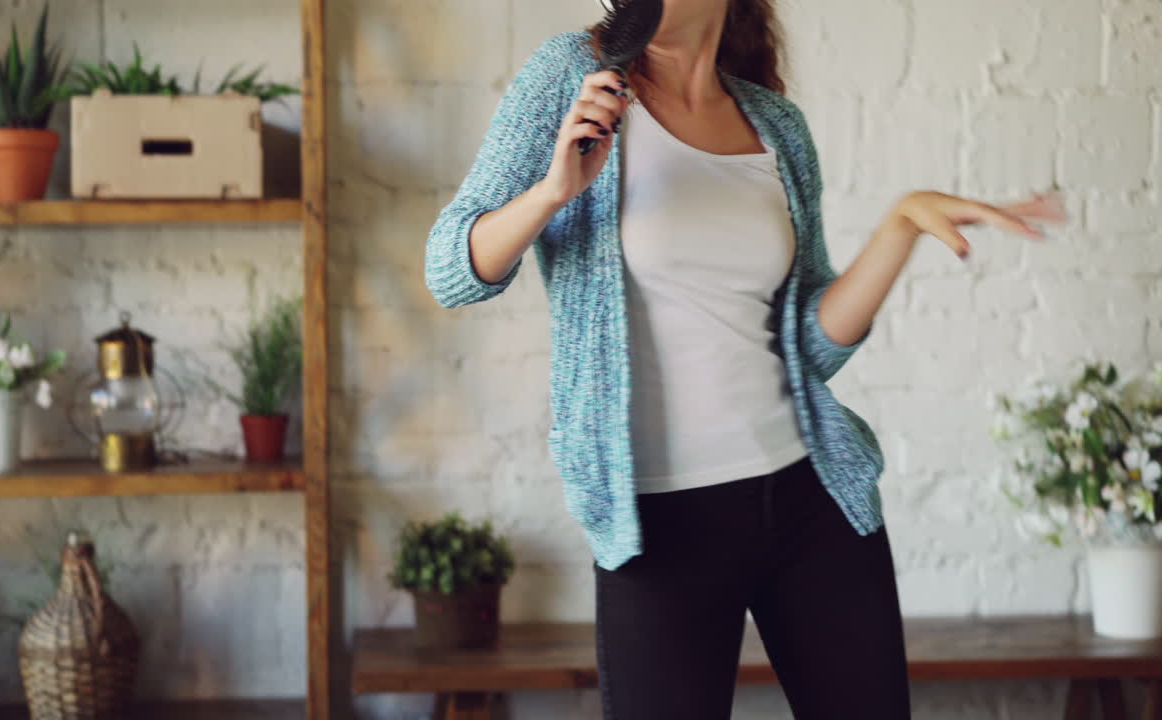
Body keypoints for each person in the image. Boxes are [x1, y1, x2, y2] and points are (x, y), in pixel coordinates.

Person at [424, 1, 1065, 717]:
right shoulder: (571, 76)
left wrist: (901, 226)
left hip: (811, 501)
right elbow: (450, 272)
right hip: (656, 521)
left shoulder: (775, 125)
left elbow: (806, 347)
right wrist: (553, 192)